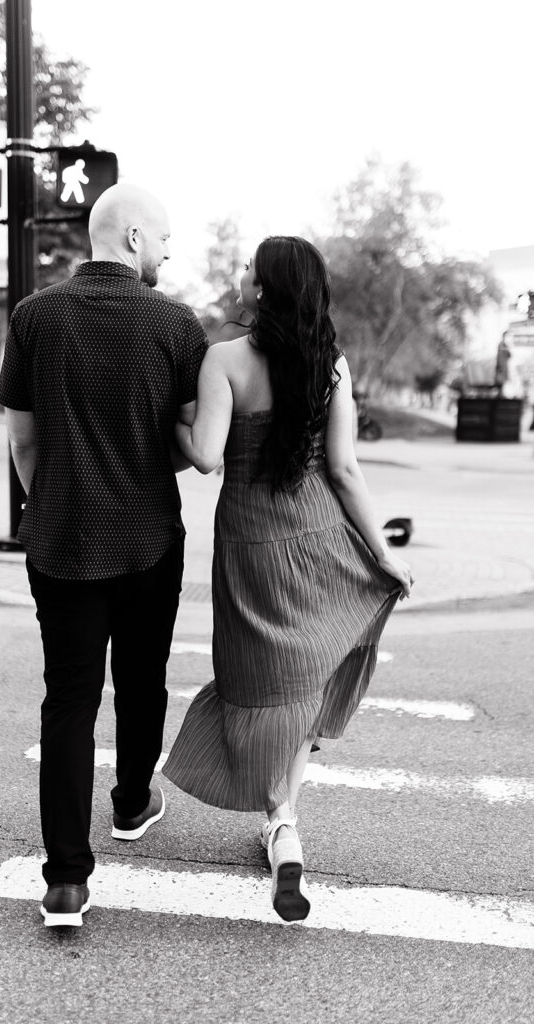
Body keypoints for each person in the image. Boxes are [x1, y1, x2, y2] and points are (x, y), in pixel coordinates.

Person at [162, 236, 412, 923]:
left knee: (264, 681)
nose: (242, 276)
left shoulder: (223, 361)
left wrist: (174, 420)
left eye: (250, 268)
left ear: (267, 286)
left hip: (251, 546)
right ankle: (283, 824)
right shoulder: (328, 365)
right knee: (303, 676)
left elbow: (206, 459)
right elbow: (344, 470)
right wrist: (382, 554)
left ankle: (281, 822)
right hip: (321, 537)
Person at [0, 183, 208, 928]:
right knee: (142, 680)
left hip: (58, 540)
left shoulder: (32, 316)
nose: (170, 252)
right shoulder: (176, 325)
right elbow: (183, 444)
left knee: (69, 701)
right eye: (164, 238)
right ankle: (128, 804)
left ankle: (64, 880)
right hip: (149, 540)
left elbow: (22, 440)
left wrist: (55, 494)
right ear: (131, 239)